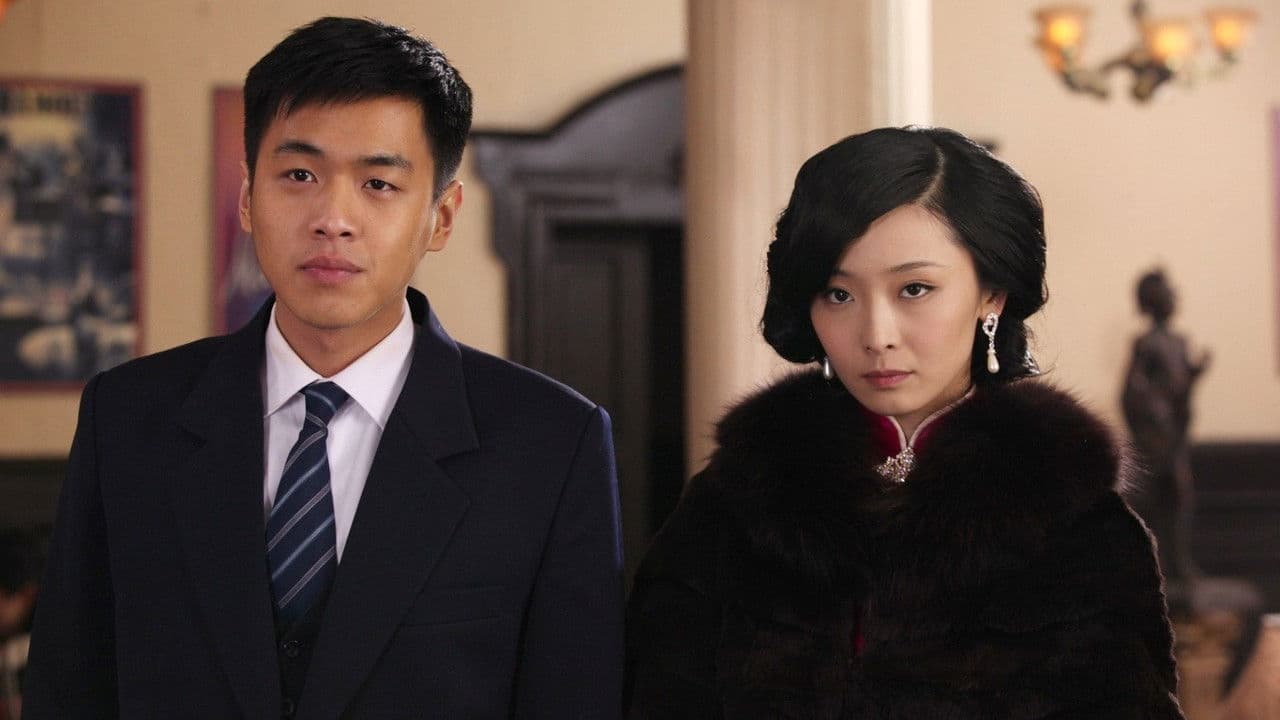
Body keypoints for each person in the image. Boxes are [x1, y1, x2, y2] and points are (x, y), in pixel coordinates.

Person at [24, 17, 623, 719]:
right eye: (300, 175)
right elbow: (69, 688)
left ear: (441, 217)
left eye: (379, 183)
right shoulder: (128, 416)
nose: (333, 219)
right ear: (248, 197)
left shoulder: (552, 442)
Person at [625, 127, 1184, 718]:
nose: (876, 335)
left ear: (991, 295)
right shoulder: (733, 504)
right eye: (838, 295)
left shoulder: (1078, 525)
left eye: (914, 288)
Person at [1122, 268, 1210, 586]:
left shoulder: (1179, 342)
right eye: (1168, 291)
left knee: (1180, 497)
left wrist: (1195, 374)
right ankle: (1148, 563)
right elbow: (1131, 391)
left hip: (1177, 434)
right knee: (1152, 499)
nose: (1174, 295)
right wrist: (1151, 419)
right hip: (1157, 438)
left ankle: (1179, 561)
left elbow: (1180, 388)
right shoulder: (1147, 343)